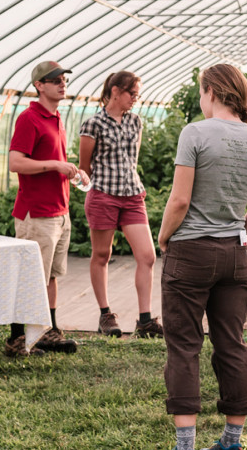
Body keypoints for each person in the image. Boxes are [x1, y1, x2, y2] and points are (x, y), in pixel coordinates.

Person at [158, 64, 247, 450]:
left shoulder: (195, 133)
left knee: (184, 344)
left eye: (200, 92)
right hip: (235, 254)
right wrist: (237, 233)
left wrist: (163, 237)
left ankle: (186, 444)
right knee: (231, 342)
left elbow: (180, 199)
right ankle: (232, 439)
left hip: (190, 251)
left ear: (211, 91)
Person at [5, 60, 84, 357]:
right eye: (55, 80)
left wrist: (72, 171)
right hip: (36, 212)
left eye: (64, 79)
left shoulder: (56, 118)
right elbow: (16, 162)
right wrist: (54, 165)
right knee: (30, 276)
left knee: (50, 276)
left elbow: (53, 161)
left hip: (58, 212)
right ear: (39, 85)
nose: (62, 83)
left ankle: (47, 332)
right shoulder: (29, 118)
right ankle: (16, 339)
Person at [78, 71, 163, 339]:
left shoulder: (135, 122)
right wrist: (94, 193)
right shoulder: (93, 125)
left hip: (132, 196)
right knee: (102, 255)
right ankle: (106, 315)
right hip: (103, 194)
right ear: (115, 91)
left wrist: (133, 183)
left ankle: (145, 321)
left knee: (147, 257)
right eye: (132, 94)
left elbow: (132, 160)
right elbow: (84, 168)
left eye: (137, 94)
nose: (135, 99)